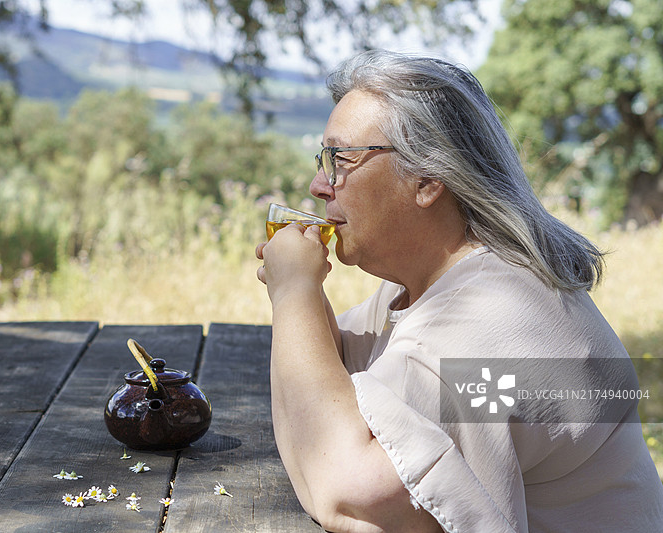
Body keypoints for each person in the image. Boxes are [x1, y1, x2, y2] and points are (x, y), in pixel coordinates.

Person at [255, 50, 663, 533]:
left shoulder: (487, 321)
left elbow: (347, 490)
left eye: (340, 159)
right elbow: (338, 372)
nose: (319, 185)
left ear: (427, 179)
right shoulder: (436, 284)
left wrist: (295, 294)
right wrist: (303, 291)